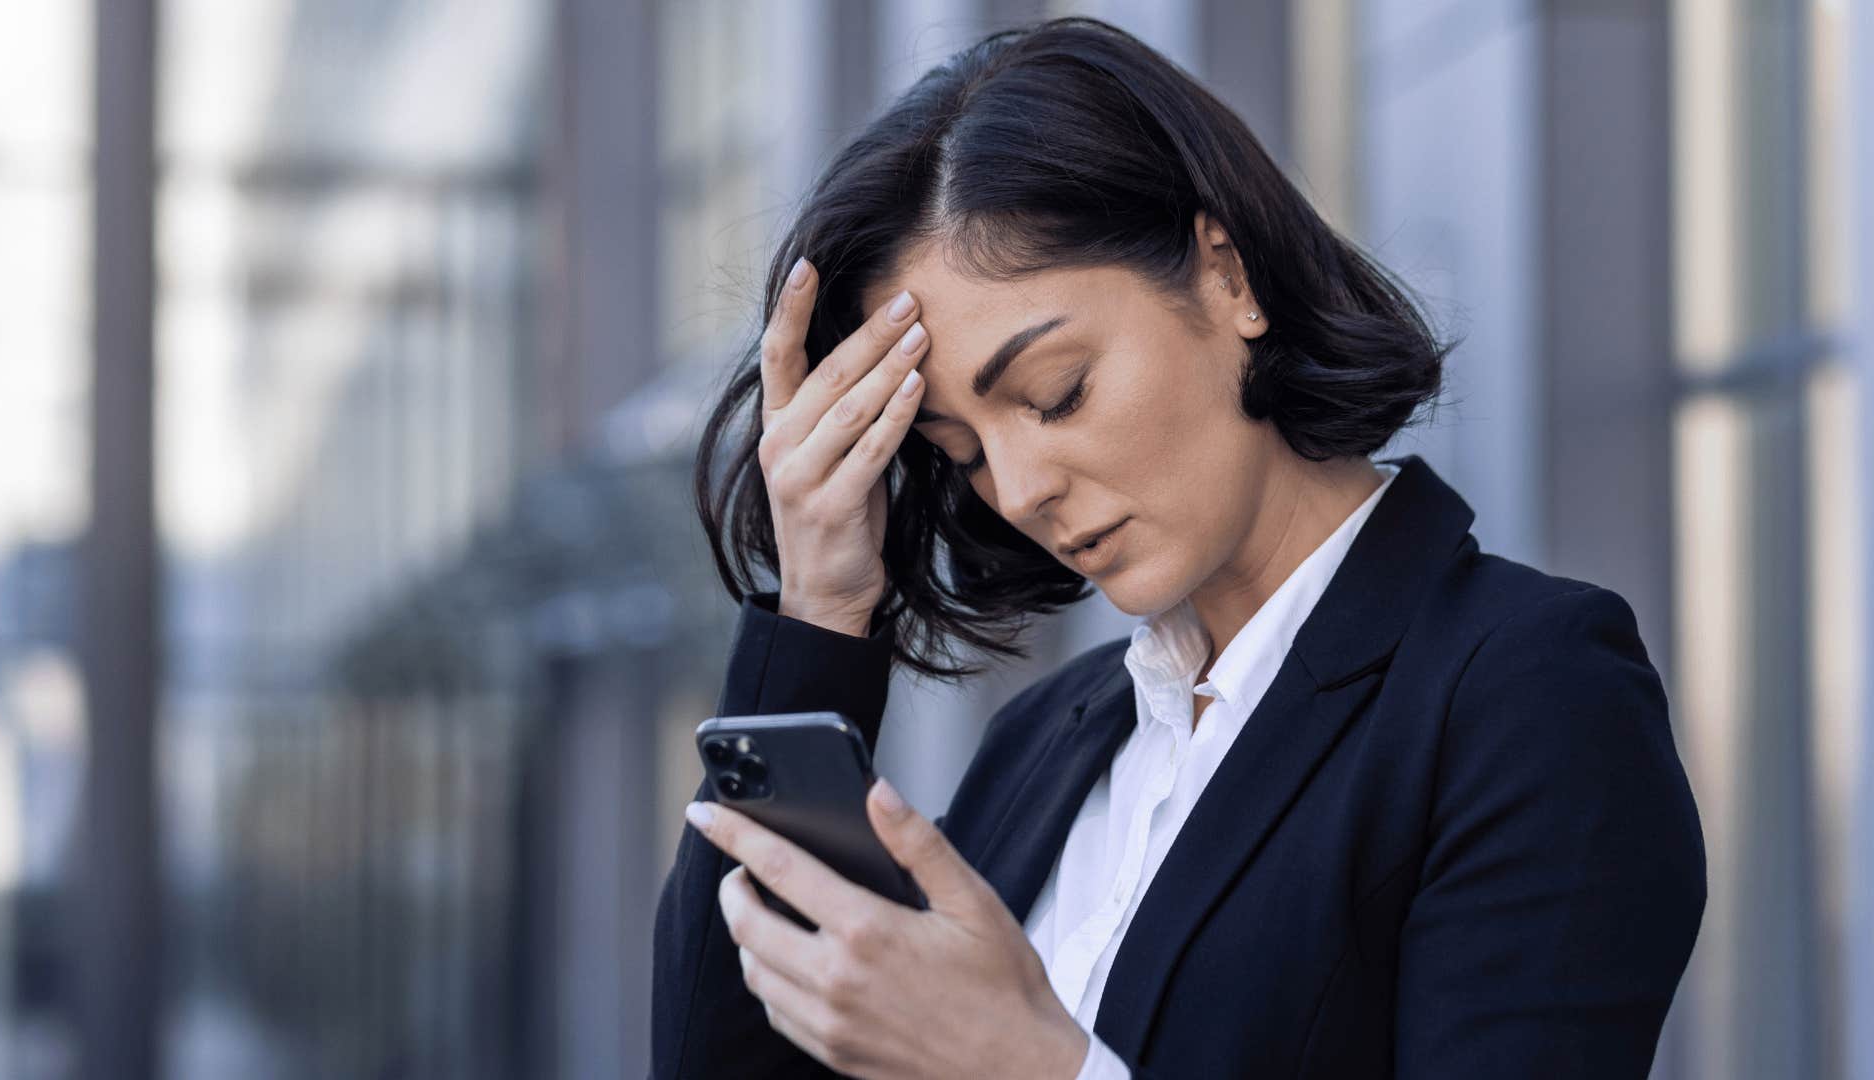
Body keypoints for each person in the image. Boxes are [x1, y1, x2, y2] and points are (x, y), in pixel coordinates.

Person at [652, 16, 1706, 1079]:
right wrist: (822, 611)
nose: (1018, 491)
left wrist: (1031, 1067)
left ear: (1227, 275)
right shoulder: (1048, 742)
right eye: (960, 450)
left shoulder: (1526, 690)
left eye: (1057, 394)